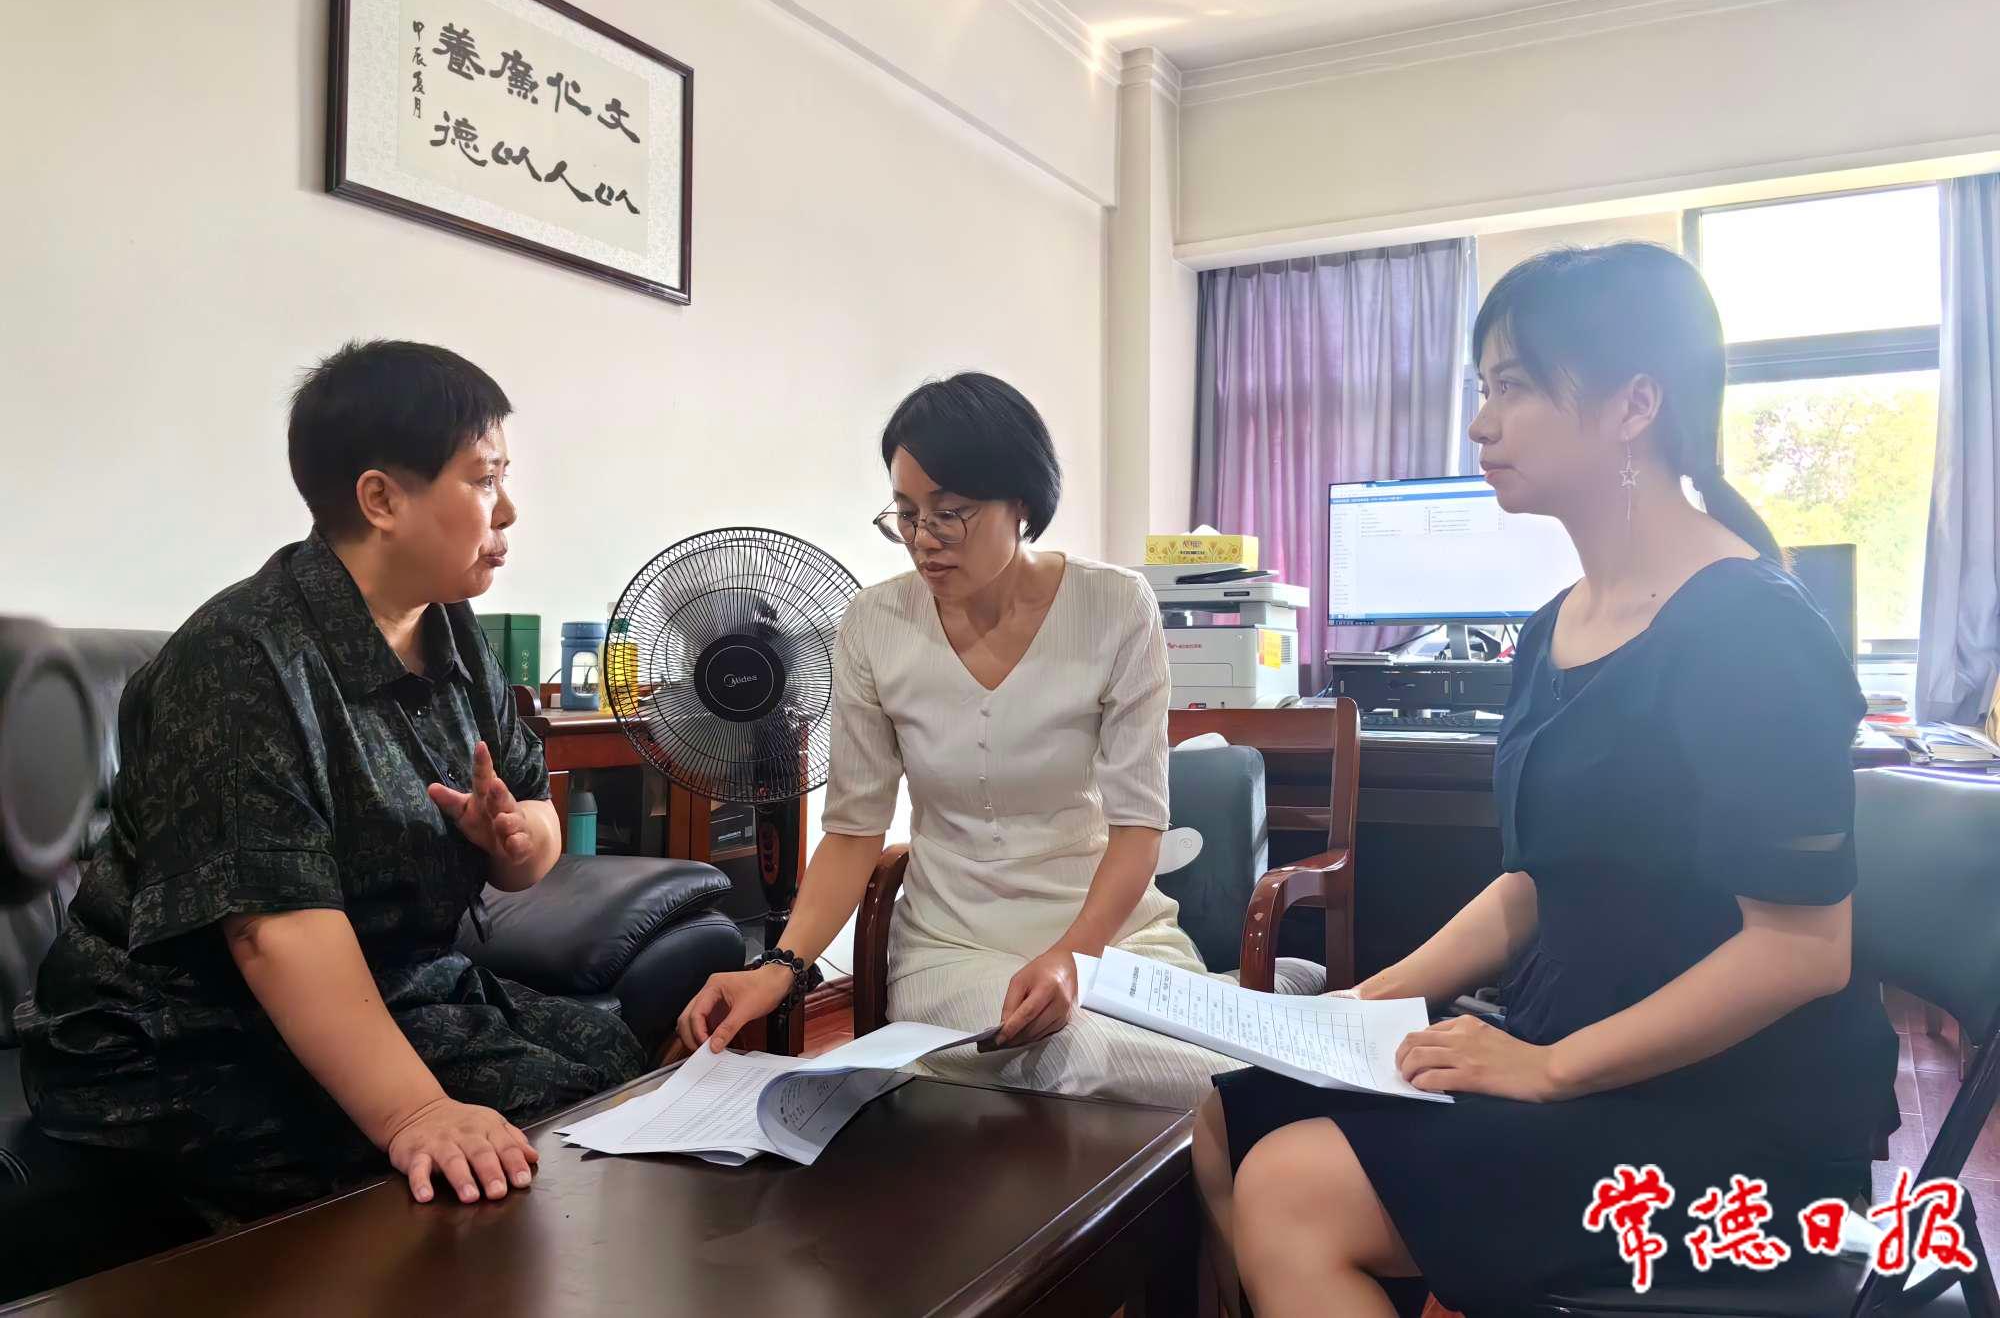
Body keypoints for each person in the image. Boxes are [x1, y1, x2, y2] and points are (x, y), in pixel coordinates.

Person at [1194, 244, 1900, 1317]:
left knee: (1294, 1191)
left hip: (1729, 1111)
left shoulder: (1750, 630)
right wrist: (1356, 1006)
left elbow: (1801, 950)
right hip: (1568, 1044)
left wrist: (1551, 1067)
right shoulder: (1551, 630)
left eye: (1513, 386)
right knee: (1225, 1119)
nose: (1481, 425)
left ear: (1634, 405)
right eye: (1482, 388)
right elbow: (1533, 886)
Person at [21, 341, 642, 1222]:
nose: (508, 509)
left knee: (617, 1066)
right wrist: (419, 1115)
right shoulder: (240, 660)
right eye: (483, 479)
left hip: (390, 985)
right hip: (180, 1037)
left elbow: (532, 819)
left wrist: (514, 840)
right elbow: (271, 931)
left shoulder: (453, 631)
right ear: (381, 499)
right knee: (531, 1136)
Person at [675, 372, 1306, 1107]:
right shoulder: (874, 624)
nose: (924, 539)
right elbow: (852, 830)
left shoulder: (1113, 606)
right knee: (1067, 1051)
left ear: (1021, 501)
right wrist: (779, 967)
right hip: (953, 950)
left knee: (1111, 1047)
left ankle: (1255, 1036)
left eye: (951, 513)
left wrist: (1073, 956)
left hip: (1110, 938)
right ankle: (1280, 1050)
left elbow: (1139, 826)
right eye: (906, 513)